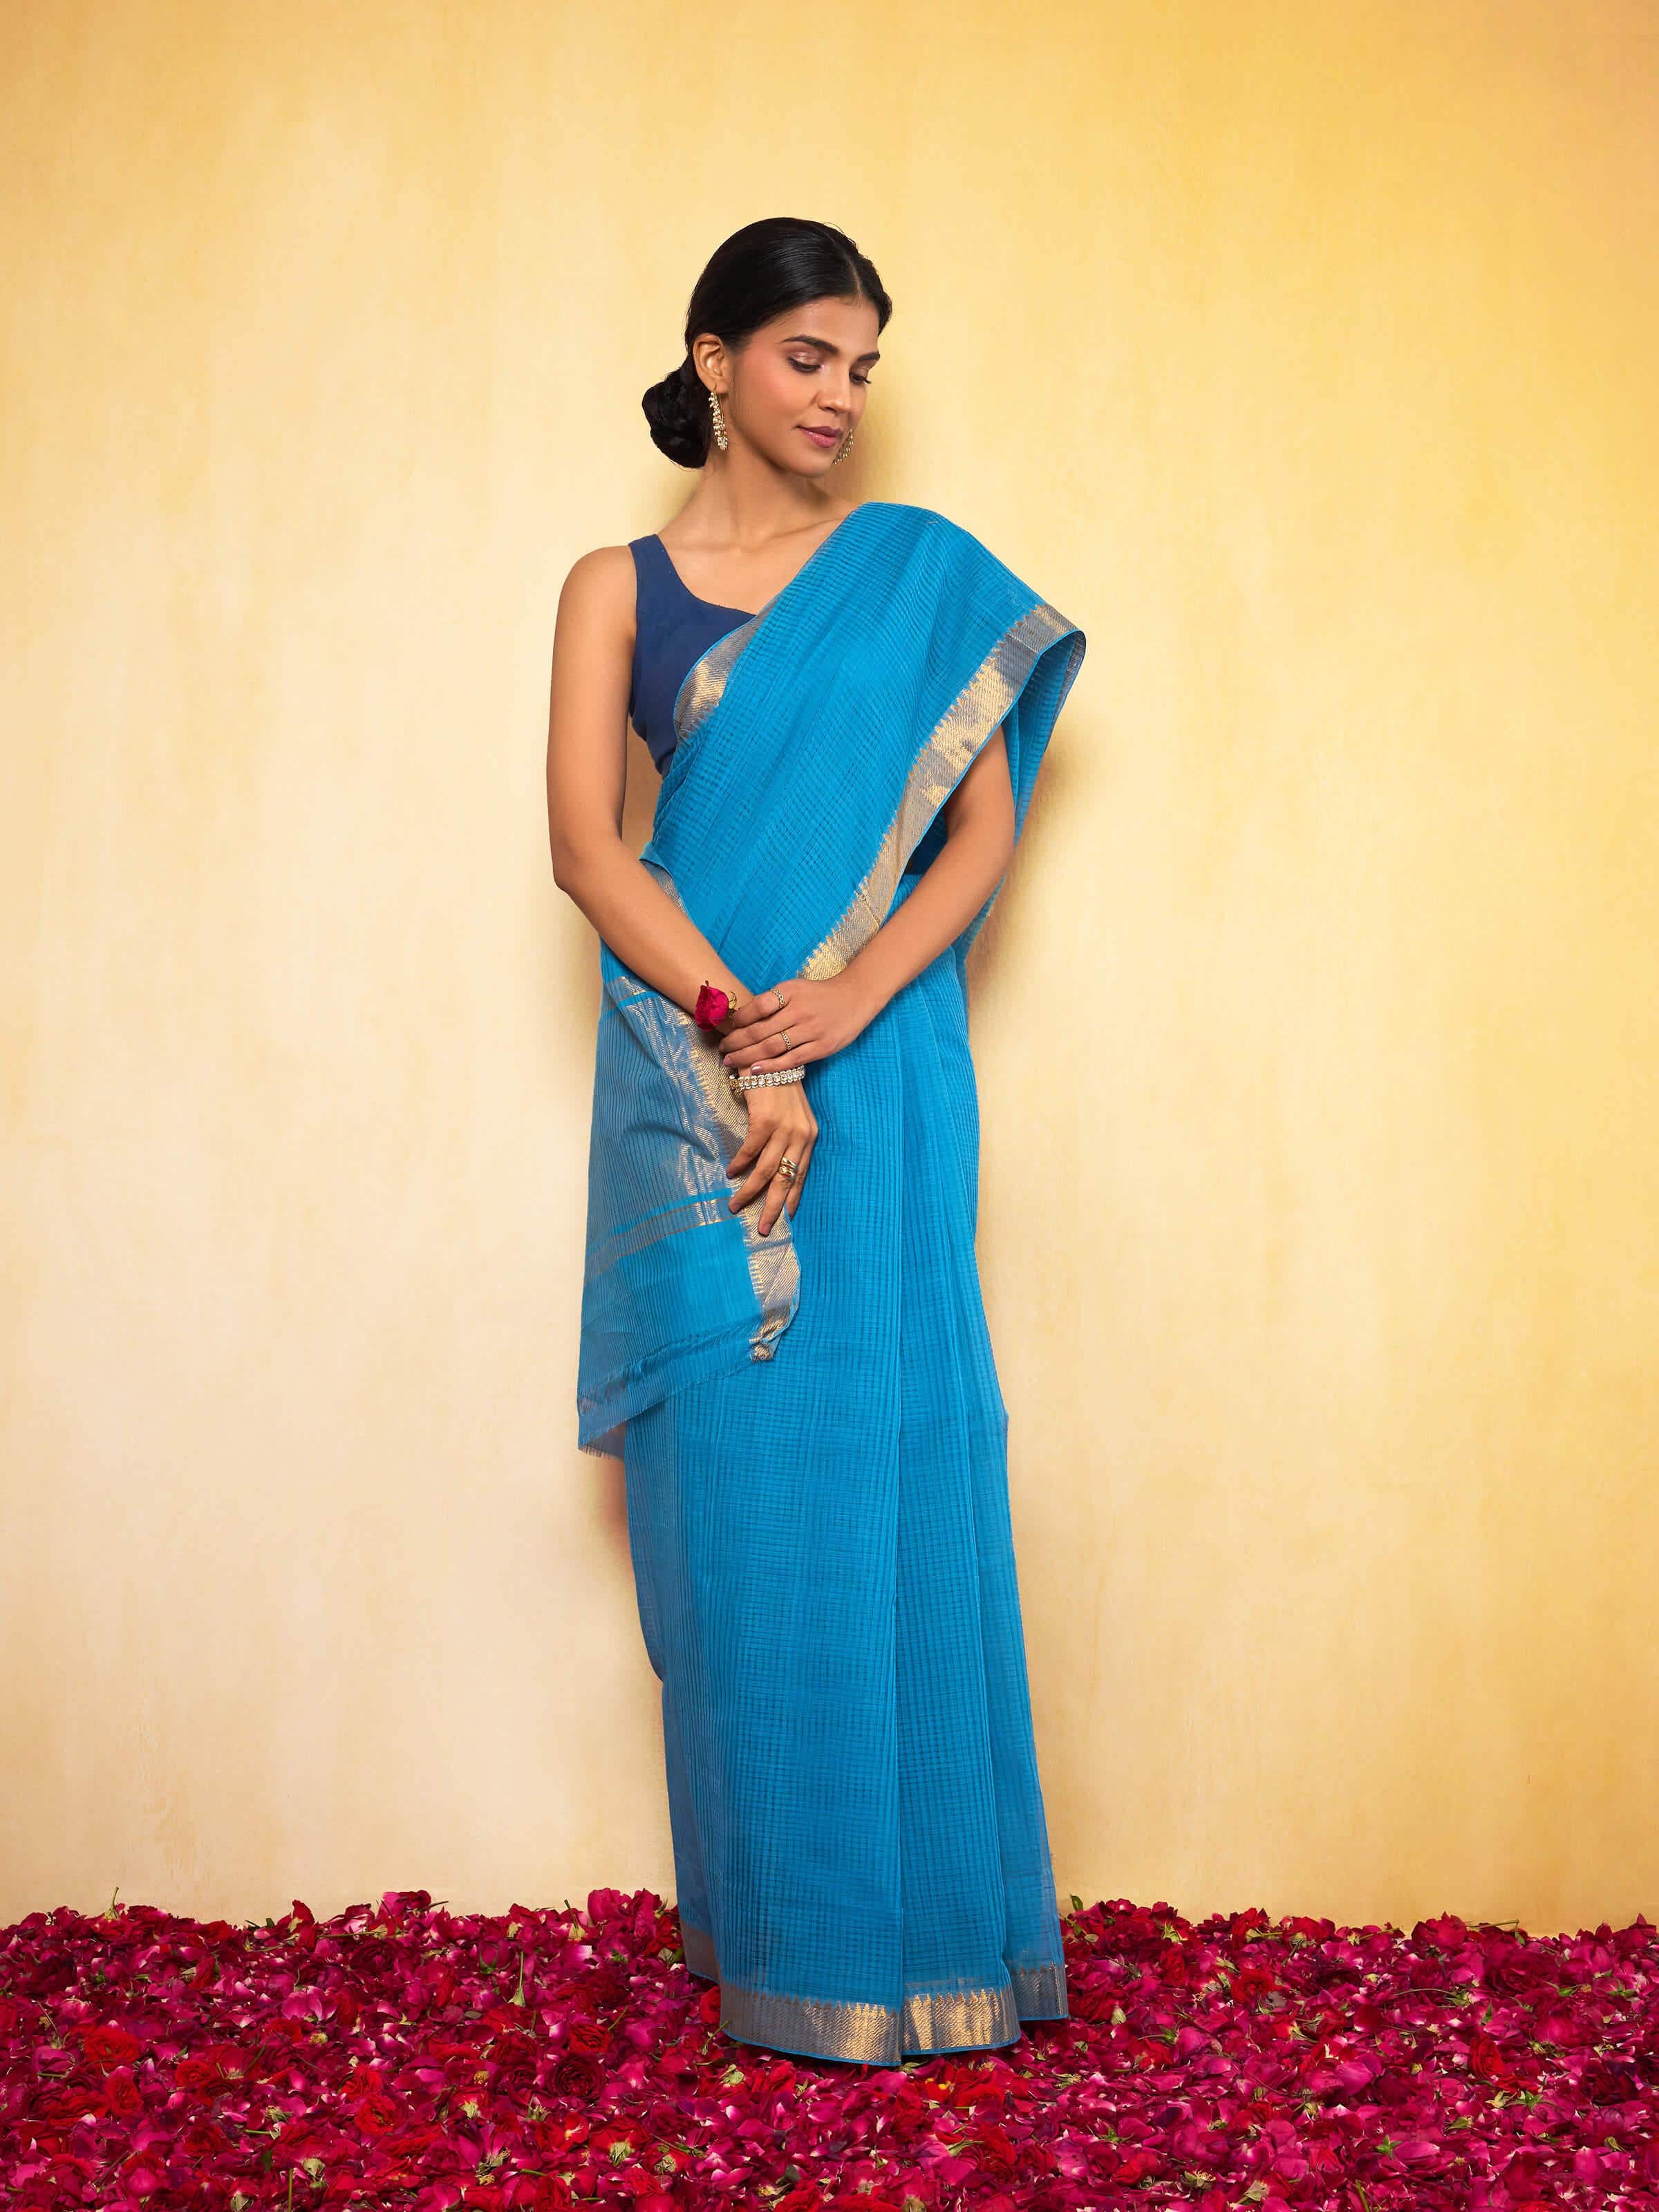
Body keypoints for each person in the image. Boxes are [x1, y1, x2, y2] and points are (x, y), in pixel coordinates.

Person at [545, 216, 1086, 2065]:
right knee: (738, 1517)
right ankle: (786, 1933)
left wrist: (839, 1017)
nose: (844, 395)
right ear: (715, 361)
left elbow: (983, 842)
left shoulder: (916, 575)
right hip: (691, 1077)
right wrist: (742, 1033)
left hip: (880, 1073)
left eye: (865, 365)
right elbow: (592, 852)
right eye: (808, 358)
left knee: (898, 1457)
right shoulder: (615, 588)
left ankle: (929, 1939)